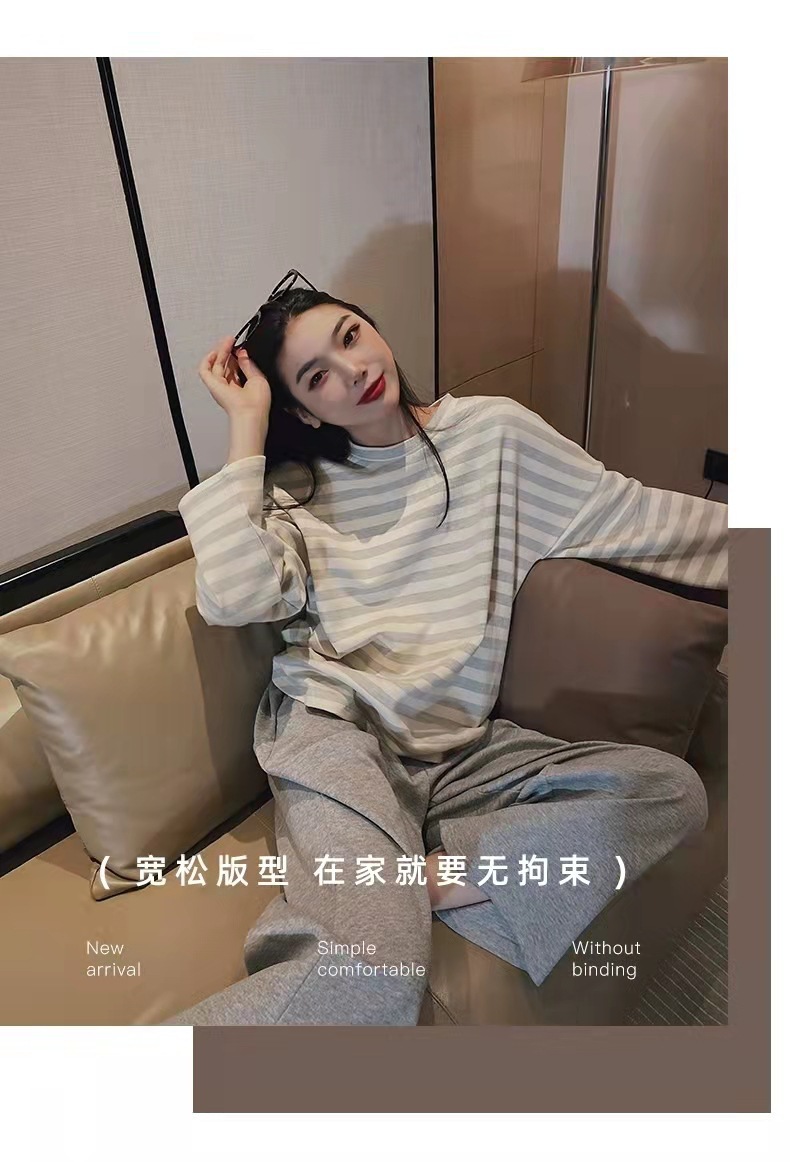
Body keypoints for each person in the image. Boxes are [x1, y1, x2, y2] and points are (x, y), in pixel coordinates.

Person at [164, 275, 727, 1026]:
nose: (353, 369)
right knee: (376, 968)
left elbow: (641, 517)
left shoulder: (495, 437)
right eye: (316, 377)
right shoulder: (297, 491)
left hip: (462, 749)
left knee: (668, 790)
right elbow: (233, 597)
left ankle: (412, 884)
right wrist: (246, 423)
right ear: (303, 410)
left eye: (350, 336)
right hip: (338, 737)